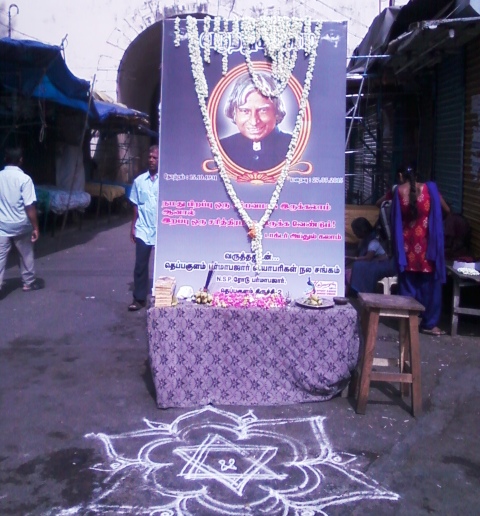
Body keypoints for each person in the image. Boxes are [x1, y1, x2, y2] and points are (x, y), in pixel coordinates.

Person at [391, 166, 450, 336]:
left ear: (401, 175)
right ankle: (429, 324)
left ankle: (407, 321)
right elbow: (446, 210)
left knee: (408, 283)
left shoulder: (398, 192)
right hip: (428, 246)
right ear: (417, 175)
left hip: (406, 248)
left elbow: (394, 219)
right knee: (430, 285)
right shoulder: (430, 190)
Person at [220, 72, 291, 171]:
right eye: (245, 111)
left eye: (263, 110)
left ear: (277, 111)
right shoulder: (222, 147)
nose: (254, 121)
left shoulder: (294, 145)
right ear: (234, 113)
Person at [0, 146, 40, 293]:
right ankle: (28, 282)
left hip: (2, 225)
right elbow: (29, 206)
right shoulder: (25, 179)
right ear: (21, 160)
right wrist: (35, 227)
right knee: (26, 253)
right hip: (21, 224)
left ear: (5, 159)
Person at [127, 145, 159, 311]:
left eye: (155, 158)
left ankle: (164, 297)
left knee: (163, 263)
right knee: (140, 265)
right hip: (143, 228)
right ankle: (139, 299)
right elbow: (136, 205)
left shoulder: (167, 180)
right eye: (150, 157)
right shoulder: (139, 181)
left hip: (161, 230)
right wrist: (133, 226)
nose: (151, 160)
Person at [346, 217, 396, 295]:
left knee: (358, 266)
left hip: (384, 264)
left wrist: (353, 258)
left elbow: (368, 258)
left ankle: (360, 291)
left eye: (356, 231)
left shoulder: (373, 242)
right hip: (375, 261)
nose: (354, 233)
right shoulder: (365, 241)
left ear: (362, 230)